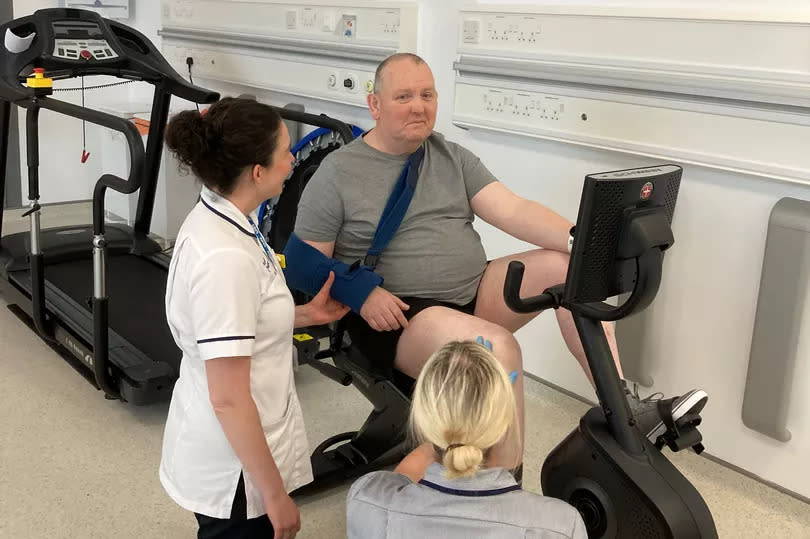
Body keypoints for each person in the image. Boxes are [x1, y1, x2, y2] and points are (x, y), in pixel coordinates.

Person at [290, 53, 708, 472]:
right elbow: (303, 262)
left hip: (471, 292)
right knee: (500, 351)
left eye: (427, 94)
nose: (418, 105)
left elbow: (514, 210)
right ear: (375, 105)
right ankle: (506, 488)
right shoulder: (339, 172)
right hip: (395, 313)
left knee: (568, 267)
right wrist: (361, 293)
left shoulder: (451, 156)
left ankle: (626, 408)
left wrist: (581, 241)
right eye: (403, 96)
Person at [159, 97, 349, 539]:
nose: (292, 161)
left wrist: (303, 314)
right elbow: (227, 397)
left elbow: (242, 319)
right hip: (235, 472)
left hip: (233, 444)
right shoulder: (224, 257)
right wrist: (275, 494)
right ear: (257, 172)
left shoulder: (225, 215)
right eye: (285, 151)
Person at [346, 340, 587, 538]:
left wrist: (454, 417)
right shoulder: (561, 525)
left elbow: (402, 479)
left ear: (422, 419)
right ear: (504, 421)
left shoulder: (367, 498)